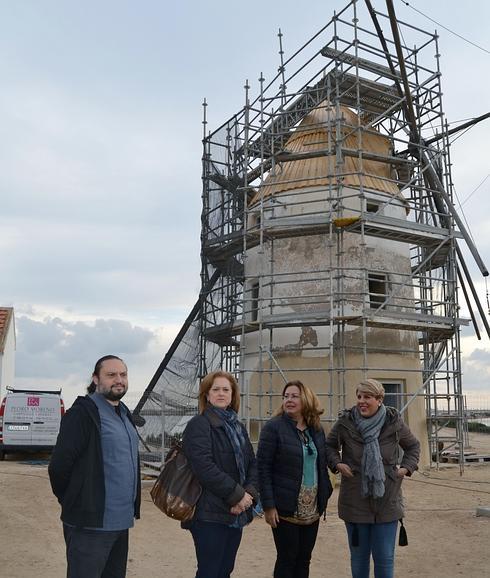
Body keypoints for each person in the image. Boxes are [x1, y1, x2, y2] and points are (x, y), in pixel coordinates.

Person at [48, 355, 141, 578]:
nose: (119, 380)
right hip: (89, 526)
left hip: (120, 523)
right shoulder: (82, 414)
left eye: (123, 374)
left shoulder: (125, 414)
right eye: (111, 375)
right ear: (96, 379)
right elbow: (59, 467)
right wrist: (76, 499)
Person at [325, 378, 420, 578]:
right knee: (359, 561)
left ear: (379, 399)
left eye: (367, 397)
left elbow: (413, 446)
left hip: (387, 501)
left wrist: (405, 469)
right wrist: (337, 464)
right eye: (359, 396)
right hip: (354, 501)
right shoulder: (346, 422)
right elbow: (329, 446)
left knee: (385, 560)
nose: (361, 401)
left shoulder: (394, 422)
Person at [182, 370, 259, 577]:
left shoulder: (238, 427)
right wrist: (238, 495)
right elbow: (204, 467)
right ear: (206, 395)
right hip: (209, 514)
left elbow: (253, 464)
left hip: (237, 512)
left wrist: (248, 495)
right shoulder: (199, 425)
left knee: (225, 570)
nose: (221, 393)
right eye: (215, 389)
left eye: (226, 389)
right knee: (210, 571)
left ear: (233, 395)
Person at [257, 380, 333, 578]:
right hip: (285, 507)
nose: (289, 400)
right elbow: (262, 468)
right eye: (286, 396)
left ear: (305, 399)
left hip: (313, 508)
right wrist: (269, 505)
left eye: (294, 396)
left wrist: (325, 494)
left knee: (304, 558)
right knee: (286, 558)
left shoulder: (316, 428)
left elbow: (321, 464)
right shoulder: (273, 428)